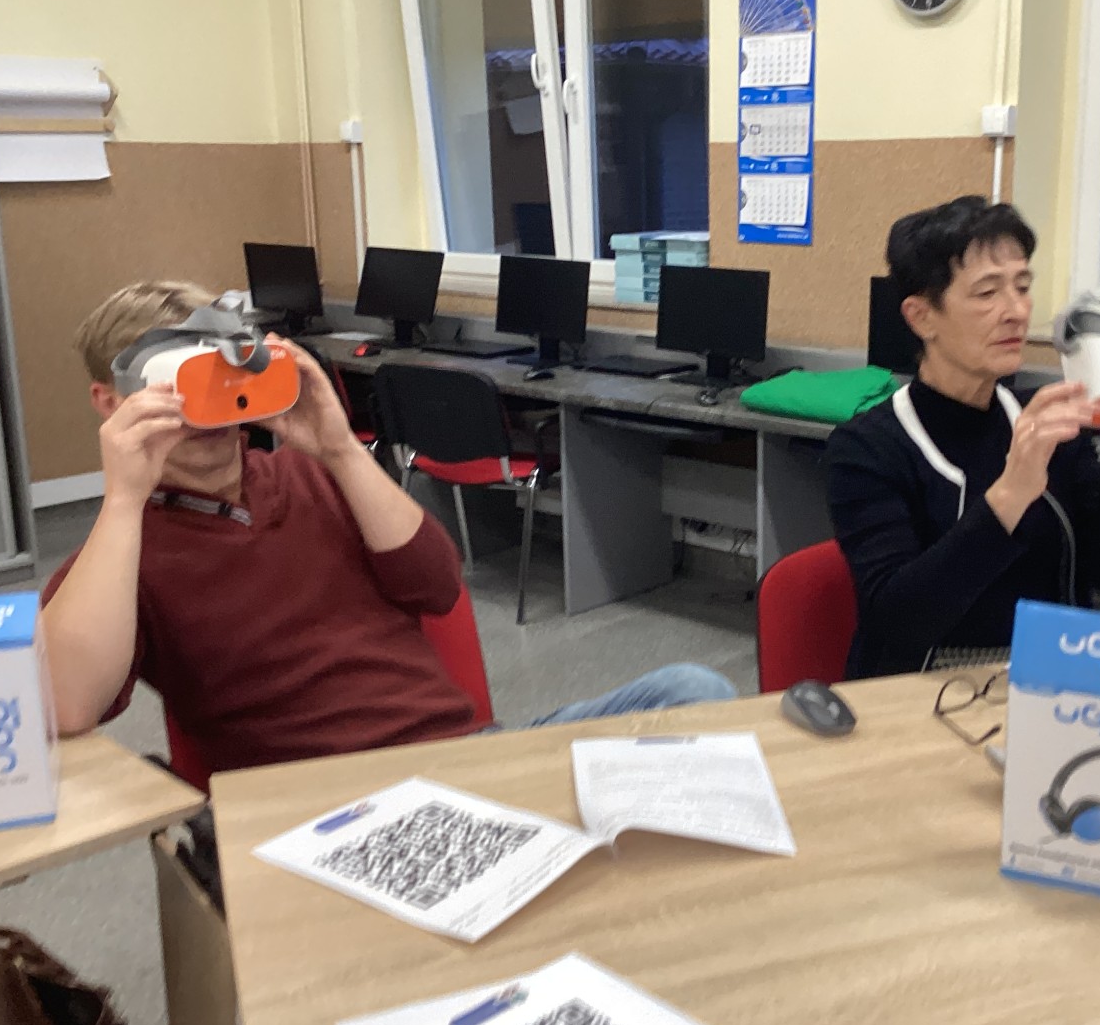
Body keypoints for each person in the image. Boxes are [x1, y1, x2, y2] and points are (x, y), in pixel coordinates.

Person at [40, 282, 734, 778]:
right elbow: (68, 705)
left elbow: (436, 586)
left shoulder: (311, 477)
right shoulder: (121, 552)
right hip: (330, 804)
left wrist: (340, 449)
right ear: (109, 400)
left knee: (693, 691)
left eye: (217, 377)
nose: (204, 412)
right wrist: (124, 500)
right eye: (175, 387)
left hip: (465, 756)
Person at [827, 198, 1100, 679]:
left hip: (1056, 675)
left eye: (1022, 287)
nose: (1017, 311)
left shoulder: (1047, 422)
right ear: (921, 317)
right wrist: (1011, 493)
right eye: (987, 293)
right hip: (929, 687)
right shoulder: (867, 448)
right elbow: (899, 623)